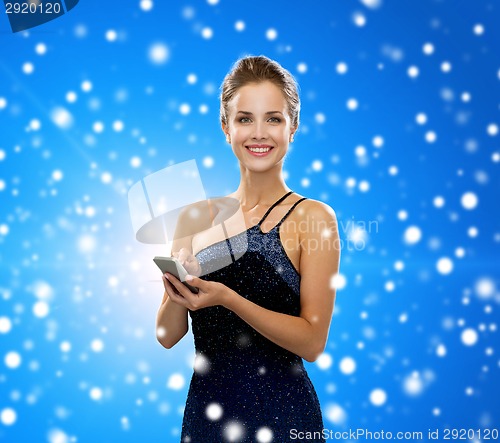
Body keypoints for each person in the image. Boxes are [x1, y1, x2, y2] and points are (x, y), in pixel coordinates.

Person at [156, 55, 341, 443]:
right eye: (245, 119)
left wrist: (227, 298)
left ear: (294, 128)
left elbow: (312, 342)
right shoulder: (194, 217)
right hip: (207, 416)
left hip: (284, 418)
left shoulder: (313, 217)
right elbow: (167, 334)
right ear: (226, 128)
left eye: (273, 118)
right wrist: (177, 289)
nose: (259, 133)